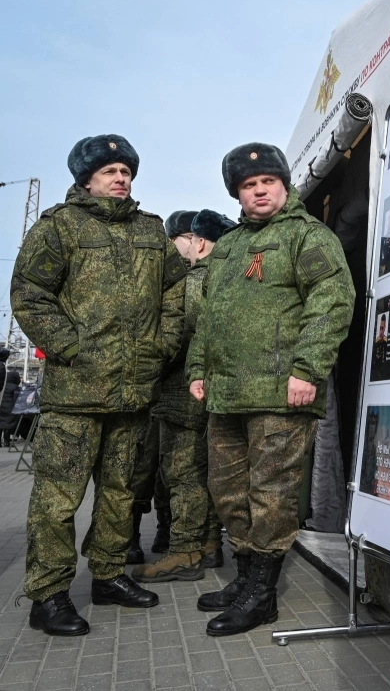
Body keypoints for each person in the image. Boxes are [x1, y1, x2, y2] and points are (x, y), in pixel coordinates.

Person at [11, 134, 185, 636]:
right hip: (74, 396)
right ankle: (48, 594)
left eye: (126, 170)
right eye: (110, 170)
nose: (120, 177)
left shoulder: (152, 230)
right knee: (57, 500)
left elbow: (177, 291)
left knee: (120, 492)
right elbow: (29, 293)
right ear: (86, 178)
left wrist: (163, 343)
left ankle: (108, 576)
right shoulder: (60, 227)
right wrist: (71, 347)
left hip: (133, 393)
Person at [187, 142, 354, 636]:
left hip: (283, 394)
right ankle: (244, 579)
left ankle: (263, 595)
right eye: (248, 186)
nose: (259, 191)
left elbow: (332, 303)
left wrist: (308, 369)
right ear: (237, 194)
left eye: (268, 183)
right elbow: (208, 317)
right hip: (227, 393)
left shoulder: (309, 237)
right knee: (228, 491)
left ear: (284, 185)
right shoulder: (232, 246)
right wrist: (198, 368)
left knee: (273, 494)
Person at [132, 209, 236, 584]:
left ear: (201, 242)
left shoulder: (195, 281)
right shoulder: (229, 279)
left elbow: (180, 339)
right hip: (210, 394)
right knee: (204, 473)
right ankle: (208, 545)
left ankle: (184, 554)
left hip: (181, 394)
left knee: (183, 475)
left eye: (190, 241)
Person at [127, 210, 198, 565]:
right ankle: (130, 535)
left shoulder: (198, 276)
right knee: (142, 464)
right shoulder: (156, 275)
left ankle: (167, 530)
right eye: (188, 236)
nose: (193, 242)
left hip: (184, 390)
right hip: (151, 387)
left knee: (173, 469)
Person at [0, 350, 21, 447]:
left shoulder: (5, 385)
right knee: (7, 426)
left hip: (1, 408)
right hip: (9, 409)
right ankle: (6, 442)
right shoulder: (14, 387)